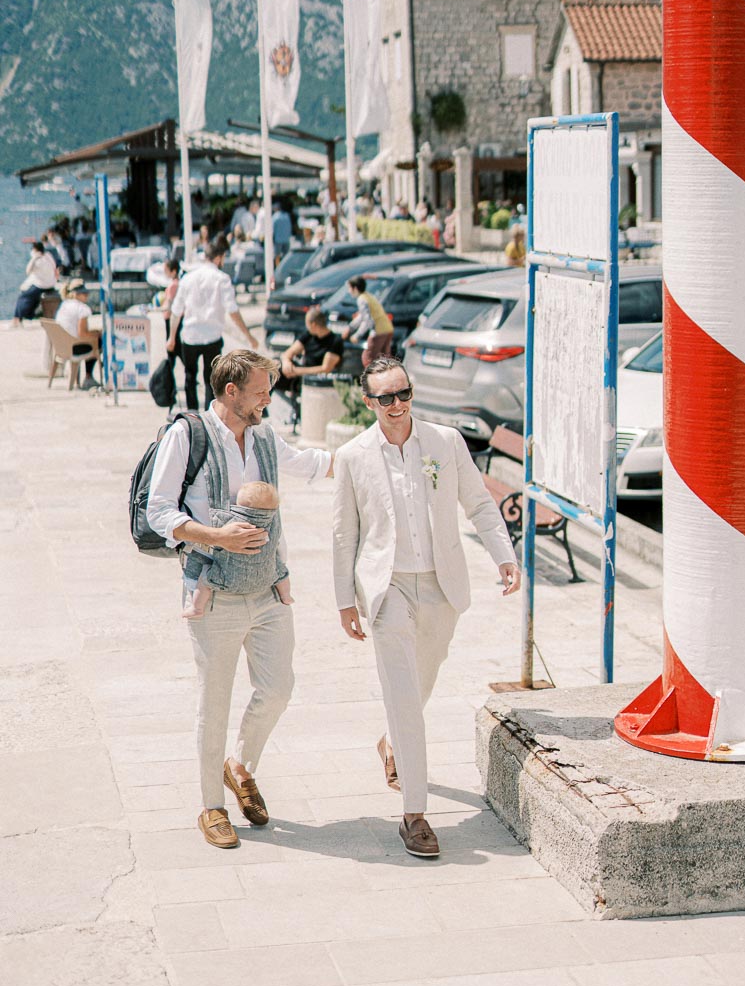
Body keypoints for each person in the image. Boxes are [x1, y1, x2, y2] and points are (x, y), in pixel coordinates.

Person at [333, 356, 520, 858]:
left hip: (441, 585)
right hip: (386, 586)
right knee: (403, 694)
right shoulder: (352, 456)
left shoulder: (446, 442)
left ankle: (392, 743)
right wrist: (344, 600)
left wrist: (504, 555)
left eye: (404, 394)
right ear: (369, 402)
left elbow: (478, 503)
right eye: (386, 398)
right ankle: (414, 814)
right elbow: (345, 533)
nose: (397, 405)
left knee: (423, 680)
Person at [146, 349, 333, 847]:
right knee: (215, 702)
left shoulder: (265, 435)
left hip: (268, 587)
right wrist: (216, 536)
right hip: (213, 594)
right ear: (231, 392)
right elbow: (158, 511)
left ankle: (240, 766)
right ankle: (212, 805)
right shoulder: (187, 434)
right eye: (260, 391)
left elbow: (308, 463)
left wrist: (370, 451)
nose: (268, 399)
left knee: (278, 689)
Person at [167, 237, 258, 412]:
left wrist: (171, 337)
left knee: (189, 376)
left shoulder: (188, 278)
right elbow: (232, 310)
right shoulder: (222, 279)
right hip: (212, 336)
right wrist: (248, 335)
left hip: (190, 335)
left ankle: (192, 414)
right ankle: (210, 415)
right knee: (212, 379)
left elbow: (176, 311)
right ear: (218, 258)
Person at [182, 480, 293, 619]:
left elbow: (216, 529)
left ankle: (197, 608)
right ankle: (286, 595)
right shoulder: (273, 523)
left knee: (205, 577)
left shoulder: (230, 521)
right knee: (282, 573)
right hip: (266, 577)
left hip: (228, 578)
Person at [276, 306, 344, 397]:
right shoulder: (309, 335)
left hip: (317, 381)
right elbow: (289, 353)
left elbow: (325, 369)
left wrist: (296, 371)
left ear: (313, 324)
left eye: (307, 324)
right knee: (271, 369)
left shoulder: (335, 341)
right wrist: (286, 363)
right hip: (299, 374)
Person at [54, 278, 101, 389]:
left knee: (93, 339)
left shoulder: (64, 305)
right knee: (99, 341)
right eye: (84, 294)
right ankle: (88, 376)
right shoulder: (83, 309)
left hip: (61, 346)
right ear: (76, 294)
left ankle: (80, 378)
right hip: (74, 348)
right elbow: (82, 334)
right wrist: (98, 334)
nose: (87, 296)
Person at [342, 276, 393, 366]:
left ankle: (372, 375)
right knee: (384, 359)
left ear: (355, 288)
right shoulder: (368, 296)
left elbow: (367, 320)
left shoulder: (361, 299)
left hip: (378, 330)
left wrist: (357, 335)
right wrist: (350, 328)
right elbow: (362, 316)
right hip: (387, 328)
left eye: (350, 288)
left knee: (368, 359)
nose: (349, 291)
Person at [13, 240, 58, 323]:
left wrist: (34, 258)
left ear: (35, 250)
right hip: (51, 284)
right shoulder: (48, 255)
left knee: (23, 297)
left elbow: (27, 271)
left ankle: (17, 317)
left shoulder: (38, 261)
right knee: (32, 294)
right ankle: (30, 314)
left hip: (42, 286)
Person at [271, 201, 293, 265]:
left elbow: (272, 228)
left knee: (277, 255)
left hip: (278, 239)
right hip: (286, 239)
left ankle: (278, 268)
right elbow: (289, 227)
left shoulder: (275, 216)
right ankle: (285, 267)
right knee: (286, 256)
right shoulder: (286, 216)